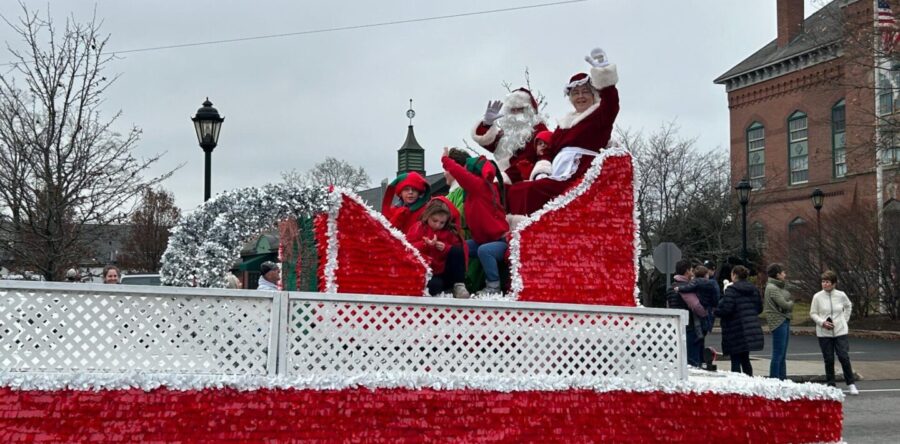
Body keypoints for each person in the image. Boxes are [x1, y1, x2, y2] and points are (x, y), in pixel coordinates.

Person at [506, 47, 620, 215]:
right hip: (558, 171)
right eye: (576, 93)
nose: (580, 97)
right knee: (518, 189)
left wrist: (605, 78)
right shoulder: (564, 124)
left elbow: (611, 104)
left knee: (529, 191)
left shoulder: (598, 116)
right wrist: (542, 172)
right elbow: (549, 150)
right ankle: (519, 230)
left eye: (585, 92)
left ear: (594, 94)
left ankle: (528, 227)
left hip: (580, 174)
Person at [441, 147, 509, 295]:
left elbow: (461, 174)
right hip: (482, 239)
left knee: (484, 251)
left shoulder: (480, 186)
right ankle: (456, 283)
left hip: (499, 240)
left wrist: (446, 161)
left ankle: (493, 287)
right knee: (459, 248)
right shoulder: (471, 192)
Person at [472, 88, 549, 184]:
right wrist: (486, 124)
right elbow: (489, 142)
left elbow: (528, 159)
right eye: (513, 110)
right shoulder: (509, 134)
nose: (516, 114)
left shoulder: (538, 129)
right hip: (504, 180)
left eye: (520, 109)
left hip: (525, 180)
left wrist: (504, 177)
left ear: (529, 111)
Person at [406, 197, 469, 298]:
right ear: (427, 216)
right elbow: (407, 248)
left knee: (456, 251)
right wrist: (425, 244)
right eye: (434, 220)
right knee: (435, 286)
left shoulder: (449, 232)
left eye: (442, 222)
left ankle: (459, 286)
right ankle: (447, 290)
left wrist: (446, 248)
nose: (437, 225)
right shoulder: (418, 228)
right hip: (426, 273)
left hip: (444, 272)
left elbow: (459, 252)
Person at [444, 148, 487, 293]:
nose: (444, 174)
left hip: (466, 243)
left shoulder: (464, 191)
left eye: (446, 169)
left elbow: (461, 217)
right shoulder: (454, 193)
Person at [810, 270, 858, 395]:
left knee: (843, 356)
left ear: (834, 283)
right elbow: (813, 313)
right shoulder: (817, 297)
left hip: (840, 331)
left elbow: (848, 306)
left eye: (827, 282)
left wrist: (844, 320)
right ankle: (831, 385)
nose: (824, 284)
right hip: (824, 333)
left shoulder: (841, 295)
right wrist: (822, 322)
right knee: (829, 359)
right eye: (823, 281)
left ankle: (851, 383)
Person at [717, 265, 764, 376]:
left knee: (735, 359)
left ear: (734, 275)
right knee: (745, 359)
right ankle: (749, 381)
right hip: (749, 327)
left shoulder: (731, 290)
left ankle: (737, 385)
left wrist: (716, 311)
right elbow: (759, 308)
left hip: (734, 328)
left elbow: (727, 309)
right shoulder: (754, 290)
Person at [666, 259, 707, 367]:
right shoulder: (686, 287)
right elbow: (695, 306)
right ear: (687, 271)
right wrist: (705, 313)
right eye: (691, 270)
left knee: (680, 358)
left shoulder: (671, 287)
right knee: (692, 360)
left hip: (676, 326)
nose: (692, 273)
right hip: (689, 326)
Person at [763, 263, 793, 380]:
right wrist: (791, 303)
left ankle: (782, 379)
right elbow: (785, 304)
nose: (785, 274)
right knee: (778, 354)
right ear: (777, 274)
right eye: (783, 272)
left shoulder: (778, 287)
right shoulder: (772, 287)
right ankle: (774, 379)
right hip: (778, 321)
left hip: (784, 319)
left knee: (782, 354)